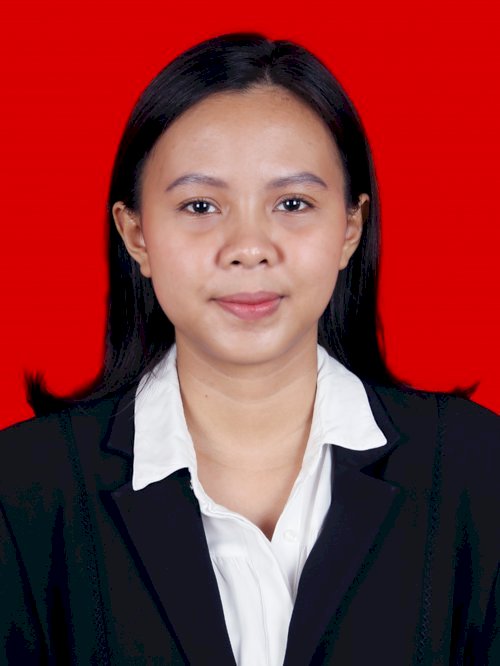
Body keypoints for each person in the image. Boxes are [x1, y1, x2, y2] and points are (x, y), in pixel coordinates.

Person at [0, 32, 498, 666]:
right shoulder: (22, 491)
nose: (249, 247)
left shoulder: (478, 470)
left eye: (292, 203)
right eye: (200, 205)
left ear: (350, 228)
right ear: (137, 234)